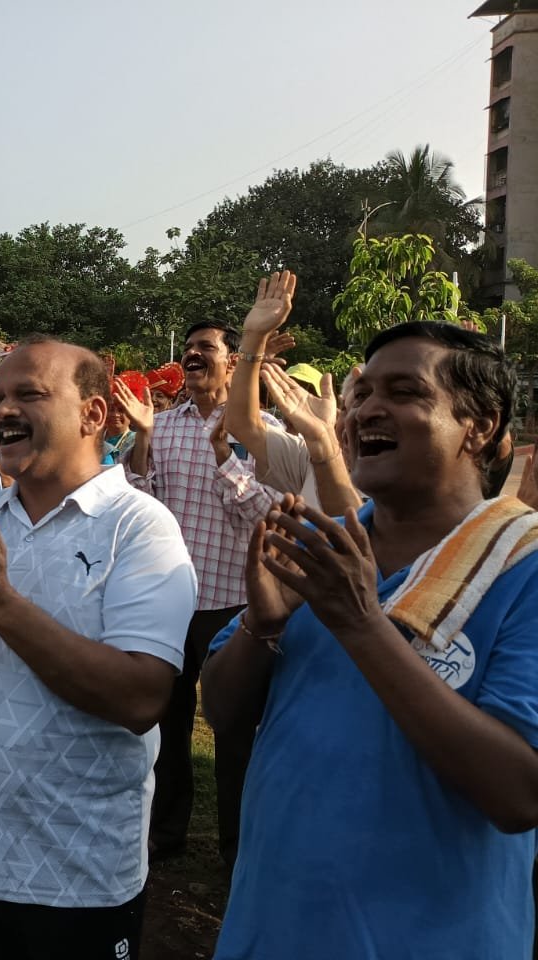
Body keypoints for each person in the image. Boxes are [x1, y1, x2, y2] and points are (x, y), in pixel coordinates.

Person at [203, 321, 538, 958]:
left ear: (480, 427)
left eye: (405, 392)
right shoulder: (318, 544)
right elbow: (221, 711)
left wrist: (361, 624)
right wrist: (260, 628)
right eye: (362, 394)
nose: (365, 411)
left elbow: (519, 794)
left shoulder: (522, 567)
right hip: (270, 928)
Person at [0, 337, 196, 960]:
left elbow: (140, 697)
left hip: (74, 878)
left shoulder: (139, 528)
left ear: (93, 414)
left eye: (29, 394)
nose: (2, 411)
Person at [118, 275, 291, 867]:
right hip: (169, 599)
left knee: (235, 729)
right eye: (188, 349)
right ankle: (164, 834)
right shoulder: (158, 425)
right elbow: (138, 504)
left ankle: (237, 850)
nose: (192, 355)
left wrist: (224, 458)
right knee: (164, 723)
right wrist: (142, 440)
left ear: (233, 362)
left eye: (205, 348)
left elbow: (266, 516)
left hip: (233, 602)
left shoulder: (264, 433)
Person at [223, 273, 361, 516]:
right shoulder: (306, 458)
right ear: (341, 412)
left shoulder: (415, 485)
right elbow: (241, 424)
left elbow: (357, 533)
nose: (364, 416)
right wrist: (254, 338)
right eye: (356, 403)